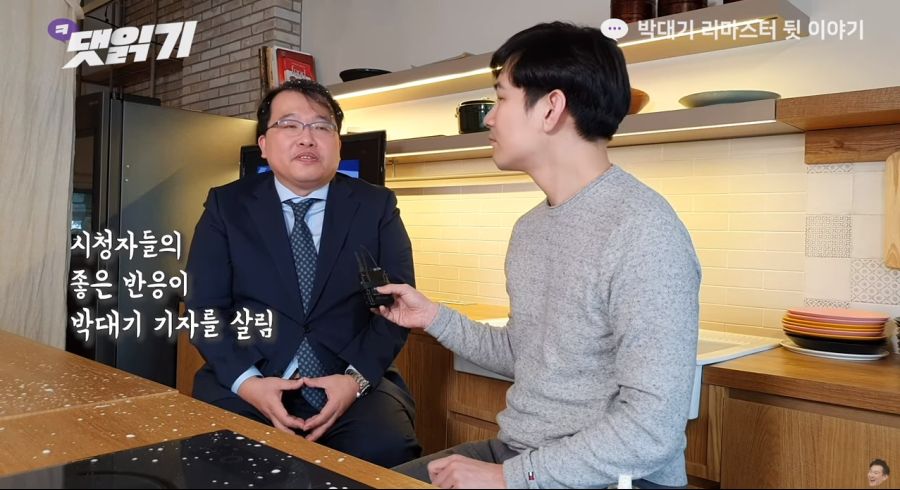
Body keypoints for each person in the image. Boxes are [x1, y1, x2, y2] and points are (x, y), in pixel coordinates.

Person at [377, 22, 701, 489]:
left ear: (551, 108)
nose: (489, 119)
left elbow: (651, 431)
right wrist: (432, 317)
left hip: (616, 477)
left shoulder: (643, 230)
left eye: (501, 99)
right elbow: (528, 355)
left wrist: (509, 478)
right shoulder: (531, 227)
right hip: (524, 456)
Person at [184, 79, 420, 467]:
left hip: (349, 378)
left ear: (338, 143)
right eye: (290, 124)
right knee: (223, 457)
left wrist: (354, 381)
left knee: (386, 450)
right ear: (264, 144)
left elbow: (398, 307)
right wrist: (249, 384)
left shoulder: (376, 206)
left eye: (322, 126)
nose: (307, 138)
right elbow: (203, 310)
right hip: (252, 375)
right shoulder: (226, 206)